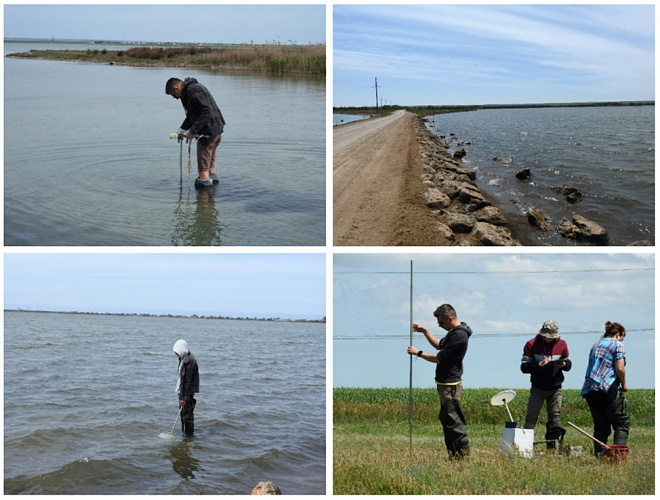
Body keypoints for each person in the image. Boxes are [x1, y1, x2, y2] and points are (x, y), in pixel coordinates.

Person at [407, 304, 472, 459]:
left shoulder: (459, 335)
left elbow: (438, 358)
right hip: (444, 383)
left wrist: (418, 353)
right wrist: (425, 332)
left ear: (450, 318)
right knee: (447, 419)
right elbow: (439, 345)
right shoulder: (453, 333)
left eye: (441, 323)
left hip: (451, 385)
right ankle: (453, 453)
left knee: (453, 420)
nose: (440, 326)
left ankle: (461, 454)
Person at [165, 77, 226, 189]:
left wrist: (192, 131)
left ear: (177, 88)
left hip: (208, 134)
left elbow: (206, 111)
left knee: (203, 170)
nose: (175, 98)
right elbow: (191, 116)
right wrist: (182, 131)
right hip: (216, 131)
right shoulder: (191, 90)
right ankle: (213, 194)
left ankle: (204, 201)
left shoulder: (191, 90)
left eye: (173, 94)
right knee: (210, 166)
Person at [520, 320, 572, 448]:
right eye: (546, 336)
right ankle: (525, 447)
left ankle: (552, 447)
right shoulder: (531, 344)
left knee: (555, 418)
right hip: (538, 387)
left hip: (555, 388)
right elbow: (524, 367)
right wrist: (538, 365)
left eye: (551, 337)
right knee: (531, 416)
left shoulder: (562, 344)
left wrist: (563, 364)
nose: (548, 339)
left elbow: (569, 364)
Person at [580, 321, 629, 456]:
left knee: (601, 427)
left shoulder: (595, 345)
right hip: (607, 389)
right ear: (618, 335)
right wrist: (624, 384)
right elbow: (620, 368)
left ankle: (599, 455)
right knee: (621, 424)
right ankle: (617, 456)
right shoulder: (617, 344)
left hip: (590, 390)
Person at [173, 339, 199, 436]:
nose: (176, 354)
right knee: (183, 415)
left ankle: (188, 436)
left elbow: (187, 381)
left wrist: (183, 398)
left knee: (187, 417)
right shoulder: (183, 359)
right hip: (183, 393)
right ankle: (185, 435)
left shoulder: (190, 361)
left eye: (177, 352)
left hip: (187, 394)